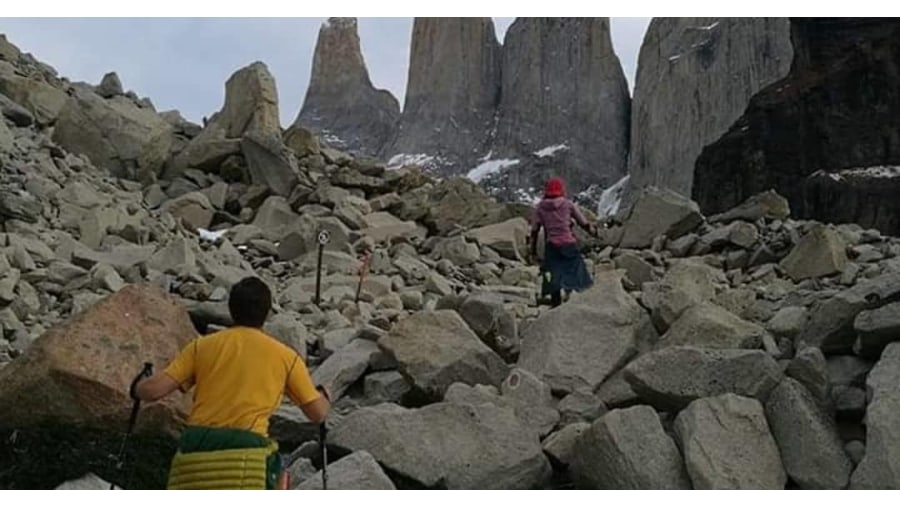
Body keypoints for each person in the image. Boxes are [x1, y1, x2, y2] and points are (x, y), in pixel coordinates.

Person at [134, 276, 330, 490]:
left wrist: (137, 385)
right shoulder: (285, 357)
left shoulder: (202, 346)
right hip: (247, 455)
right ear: (267, 313)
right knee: (281, 473)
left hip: (195, 452)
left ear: (231, 310)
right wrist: (324, 397)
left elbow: (153, 391)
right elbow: (317, 414)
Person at [529, 177, 596, 307]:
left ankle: (555, 303)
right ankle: (575, 298)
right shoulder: (568, 204)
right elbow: (584, 223)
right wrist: (594, 233)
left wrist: (533, 252)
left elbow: (534, 230)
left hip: (551, 246)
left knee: (551, 274)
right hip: (568, 244)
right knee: (575, 271)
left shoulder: (540, 207)